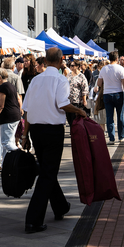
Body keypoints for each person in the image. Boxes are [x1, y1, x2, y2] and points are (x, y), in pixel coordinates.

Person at [21, 47, 87, 234]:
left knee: (46, 169)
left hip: (36, 130)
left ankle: (60, 206)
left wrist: (25, 135)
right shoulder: (60, 79)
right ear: (60, 61)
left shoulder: (35, 80)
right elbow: (62, 104)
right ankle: (33, 220)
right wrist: (79, 110)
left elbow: (27, 110)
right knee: (48, 173)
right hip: (52, 131)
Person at [0, 68, 22, 166]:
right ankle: (5, 165)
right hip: (13, 115)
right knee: (8, 141)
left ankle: (21, 157)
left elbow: (0, 106)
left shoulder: (2, 88)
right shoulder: (10, 85)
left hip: (8, 117)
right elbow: (17, 99)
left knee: (6, 143)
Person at [97, 51, 124, 144]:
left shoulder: (104, 69)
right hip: (119, 93)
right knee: (120, 115)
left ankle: (111, 138)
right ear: (117, 58)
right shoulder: (120, 68)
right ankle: (121, 136)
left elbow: (99, 83)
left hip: (107, 94)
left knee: (109, 117)